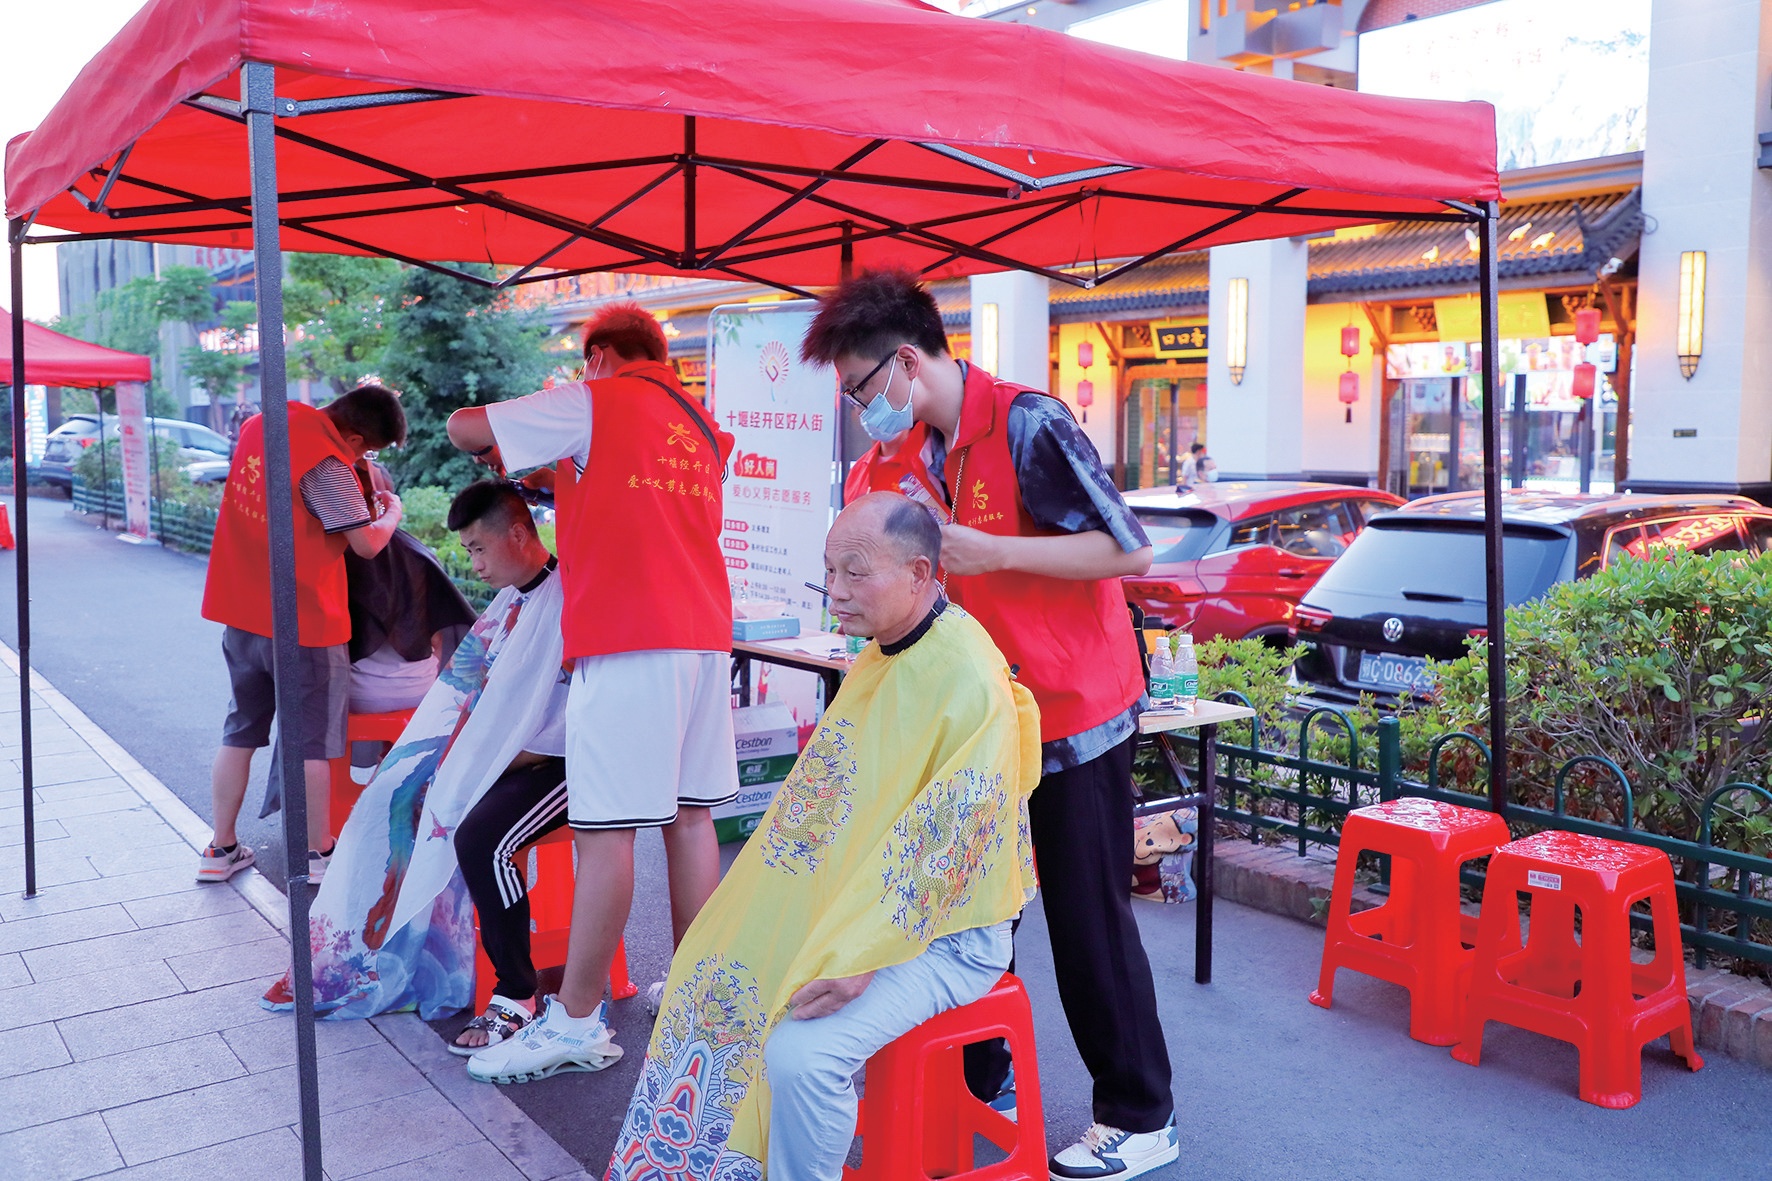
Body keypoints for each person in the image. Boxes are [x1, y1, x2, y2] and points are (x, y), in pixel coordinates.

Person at [802, 271, 1178, 1179]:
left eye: (859, 387)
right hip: (976, 724)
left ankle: (1141, 1115)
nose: (858, 407)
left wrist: (993, 550)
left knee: (1087, 921)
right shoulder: (902, 453)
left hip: (1074, 711)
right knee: (963, 911)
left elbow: (1129, 547)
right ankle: (983, 1077)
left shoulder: (1026, 423)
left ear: (905, 362)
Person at [608, 493, 1039, 1180]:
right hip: (859, 910)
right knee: (708, 970)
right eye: (829, 572)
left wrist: (858, 956)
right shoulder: (883, 654)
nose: (835, 591)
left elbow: (943, 857)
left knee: (801, 1056)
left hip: (944, 936)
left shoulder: (965, 676)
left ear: (920, 574)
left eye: (854, 573)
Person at [445, 301, 738, 1084]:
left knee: (605, 829)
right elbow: (634, 501)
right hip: (705, 638)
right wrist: (556, 473)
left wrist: (544, 421)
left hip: (628, 638)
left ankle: (574, 1020)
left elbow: (464, 428)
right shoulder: (700, 424)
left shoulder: (596, 400)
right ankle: (694, 994)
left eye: (586, 363)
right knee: (691, 818)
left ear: (601, 355)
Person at [262, 480, 571, 1020]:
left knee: (479, 839)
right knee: (386, 801)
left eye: (479, 548)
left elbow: (558, 721)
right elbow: (468, 694)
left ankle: (515, 990)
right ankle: (383, 955)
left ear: (519, 534)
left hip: (558, 762)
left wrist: (476, 761)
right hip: (502, 755)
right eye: (468, 551)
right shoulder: (513, 600)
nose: (474, 565)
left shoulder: (566, 600)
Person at [196, 384, 406, 887]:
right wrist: (391, 511)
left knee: (240, 730)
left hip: (242, 612)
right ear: (354, 438)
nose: (362, 461)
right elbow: (366, 544)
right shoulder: (327, 463)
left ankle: (220, 847)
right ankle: (318, 853)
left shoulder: (260, 424)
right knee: (313, 744)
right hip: (305, 621)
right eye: (366, 452)